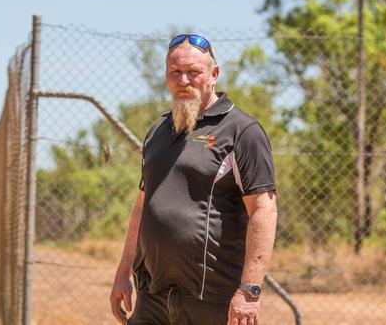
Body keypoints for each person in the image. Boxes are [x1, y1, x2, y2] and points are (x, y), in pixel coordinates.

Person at [109, 34, 278, 325]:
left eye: (193, 71)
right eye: (175, 72)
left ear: (214, 74)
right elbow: (142, 206)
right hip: (153, 297)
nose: (183, 79)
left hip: (212, 300)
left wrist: (250, 292)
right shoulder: (158, 130)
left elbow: (264, 209)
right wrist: (123, 272)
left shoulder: (241, 130)